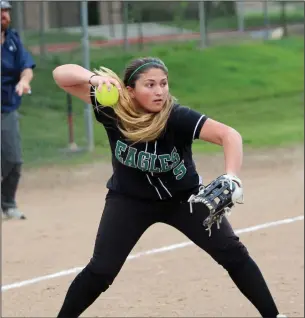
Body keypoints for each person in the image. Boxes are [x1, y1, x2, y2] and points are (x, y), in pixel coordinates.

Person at [52, 58, 286, 318]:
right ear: (129, 91)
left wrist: (232, 176)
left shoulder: (176, 117)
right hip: (129, 201)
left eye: (163, 84)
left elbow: (229, 135)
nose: (159, 91)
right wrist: (94, 79)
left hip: (184, 200)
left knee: (233, 253)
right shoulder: (114, 108)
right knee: (101, 271)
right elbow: (61, 75)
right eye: (149, 85)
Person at [1, 0, 35, 220]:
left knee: (13, 159)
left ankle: (8, 203)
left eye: (6, 11)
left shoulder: (12, 39)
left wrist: (24, 81)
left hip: (6, 109)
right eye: (0, 11)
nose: (5, 15)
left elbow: (26, 67)